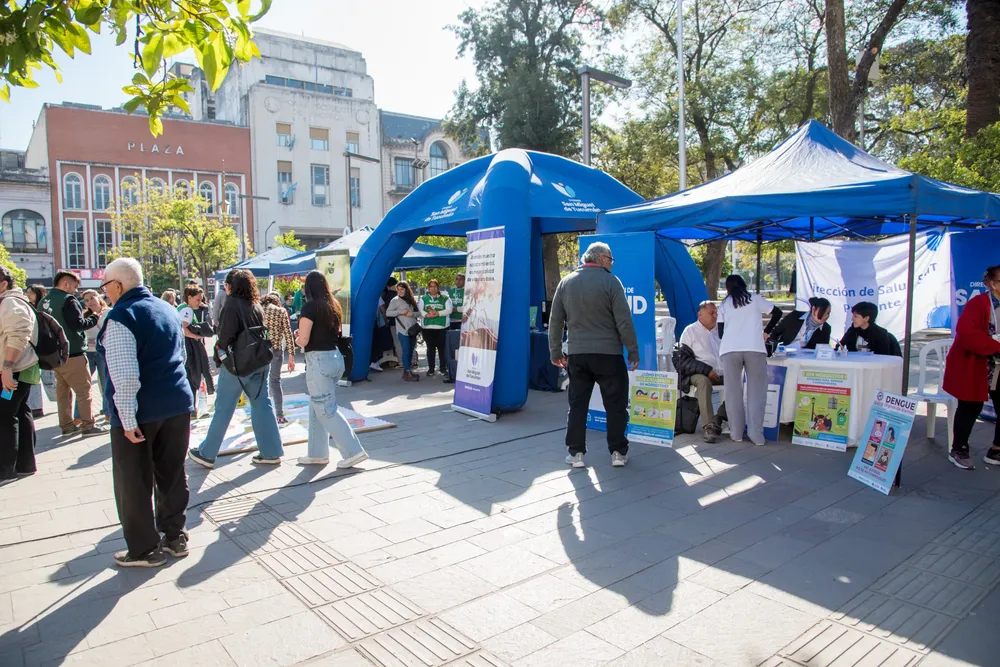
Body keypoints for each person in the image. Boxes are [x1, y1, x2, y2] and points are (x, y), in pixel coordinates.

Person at [97, 258, 194, 567]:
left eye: (105, 285)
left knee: (134, 481)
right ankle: (175, 536)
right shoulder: (166, 308)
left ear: (117, 285)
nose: (104, 291)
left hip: (142, 409)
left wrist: (126, 419)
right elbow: (180, 355)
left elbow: (124, 374)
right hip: (176, 402)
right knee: (172, 472)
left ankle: (144, 549)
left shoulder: (121, 315)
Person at [549, 242, 639, 468]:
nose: (612, 264)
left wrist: (556, 351)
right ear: (601, 259)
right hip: (609, 354)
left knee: (577, 405)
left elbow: (556, 321)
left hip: (578, 354)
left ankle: (576, 454)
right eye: (610, 259)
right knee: (616, 405)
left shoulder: (566, 282)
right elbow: (624, 321)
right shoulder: (612, 282)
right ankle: (618, 452)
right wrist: (633, 350)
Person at [188, 269, 284, 468]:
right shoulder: (255, 304)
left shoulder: (232, 304)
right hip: (259, 361)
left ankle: (207, 453)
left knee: (224, 408)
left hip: (238, 364)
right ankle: (271, 451)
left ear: (231, 286)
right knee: (262, 404)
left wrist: (218, 358)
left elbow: (225, 337)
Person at [294, 271, 369, 468]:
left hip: (318, 360)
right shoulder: (334, 305)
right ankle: (317, 453)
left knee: (326, 409)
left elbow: (304, 340)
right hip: (335, 358)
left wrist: (296, 338)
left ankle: (353, 451)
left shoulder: (310, 307)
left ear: (308, 288)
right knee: (317, 406)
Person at [943, 265, 1000, 470]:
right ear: (992, 284)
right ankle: (959, 449)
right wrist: (996, 346)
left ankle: (996, 450)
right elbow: (967, 333)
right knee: (970, 406)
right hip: (976, 364)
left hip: (998, 365)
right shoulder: (978, 303)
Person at [717, 274, 782, 446]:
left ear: (728, 288)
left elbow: (721, 332)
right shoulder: (755, 298)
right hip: (755, 347)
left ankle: (736, 433)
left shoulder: (724, 304)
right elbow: (778, 313)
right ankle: (756, 435)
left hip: (730, 349)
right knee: (757, 393)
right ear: (744, 285)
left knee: (733, 393)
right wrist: (766, 331)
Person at [39, 271, 106, 436]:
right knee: (84, 391)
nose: (76, 291)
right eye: (75, 287)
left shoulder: (43, 301)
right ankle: (88, 425)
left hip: (54, 354)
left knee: (63, 392)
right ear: (66, 284)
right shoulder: (68, 300)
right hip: (73, 352)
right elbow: (78, 324)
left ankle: (67, 425)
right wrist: (94, 317)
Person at [0, 265, 40, 480]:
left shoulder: (10, 302)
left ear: (3, 284)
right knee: (20, 412)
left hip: (14, 370)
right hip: (19, 370)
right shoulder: (13, 301)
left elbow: (18, 336)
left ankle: (6, 469)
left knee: (5, 417)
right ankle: (25, 464)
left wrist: (7, 369)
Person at [674, 301, 728, 443]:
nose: (715, 316)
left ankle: (719, 417)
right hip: (697, 373)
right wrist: (707, 371)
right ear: (700, 315)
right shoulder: (690, 331)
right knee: (704, 382)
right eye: (711, 313)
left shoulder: (720, 331)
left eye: (716, 313)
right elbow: (681, 360)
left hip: (722, 371)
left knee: (740, 380)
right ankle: (709, 426)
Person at [177, 285, 216, 418]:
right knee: (192, 376)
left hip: (187, 346)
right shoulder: (187, 310)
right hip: (190, 348)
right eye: (198, 299)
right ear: (190, 298)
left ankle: (192, 407)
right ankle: (191, 407)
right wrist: (196, 336)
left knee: (191, 376)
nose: (200, 303)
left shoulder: (182, 308)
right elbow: (183, 328)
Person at [261, 292, 295, 423]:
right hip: (276, 350)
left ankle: (261, 414)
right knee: (275, 381)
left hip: (260, 350)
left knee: (260, 381)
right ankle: (279, 415)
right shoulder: (281, 311)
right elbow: (288, 334)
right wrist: (291, 356)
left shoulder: (258, 309)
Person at [81, 289, 110, 418]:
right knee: (83, 385)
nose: (90, 302)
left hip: (103, 351)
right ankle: (80, 416)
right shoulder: (84, 315)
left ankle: (108, 412)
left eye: (92, 298)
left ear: (99, 297)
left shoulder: (109, 312)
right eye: (86, 300)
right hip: (88, 352)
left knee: (105, 383)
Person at [386, 281, 420, 382]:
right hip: (402, 330)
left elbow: (419, 313)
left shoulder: (411, 299)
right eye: (398, 289)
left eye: (402, 289)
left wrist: (412, 314)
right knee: (406, 351)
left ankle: (407, 372)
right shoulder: (395, 300)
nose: (400, 291)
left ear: (406, 289)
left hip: (412, 329)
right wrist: (400, 312)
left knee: (410, 351)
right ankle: (407, 372)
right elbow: (388, 313)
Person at [768, 297, 832, 350]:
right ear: (813, 309)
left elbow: (823, 350)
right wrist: (774, 348)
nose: (826, 315)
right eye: (822, 311)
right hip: (784, 353)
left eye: (828, 313)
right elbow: (775, 332)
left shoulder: (826, 328)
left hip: (805, 359)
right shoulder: (794, 316)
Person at [418, 279, 452, 377]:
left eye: (435, 286)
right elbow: (420, 310)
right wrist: (426, 315)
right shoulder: (423, 298)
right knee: (430, 349)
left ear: (438, 287)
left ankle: (443, 368)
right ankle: (431, 369)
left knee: (442, 349)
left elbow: (449, 310)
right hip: (428, 328)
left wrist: (438, 313)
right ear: (428, 288)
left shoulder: (445, 298)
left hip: (442, 328)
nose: (433, 288)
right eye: (431, 286)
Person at [25, 285, 47, 419]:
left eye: (30, 292)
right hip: (30, 347)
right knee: (34, 378)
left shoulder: (44, 306)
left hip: (43, 347)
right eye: (27, 292)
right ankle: (36, 407)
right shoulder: (26, 306)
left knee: (48, 380)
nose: (28, 294)